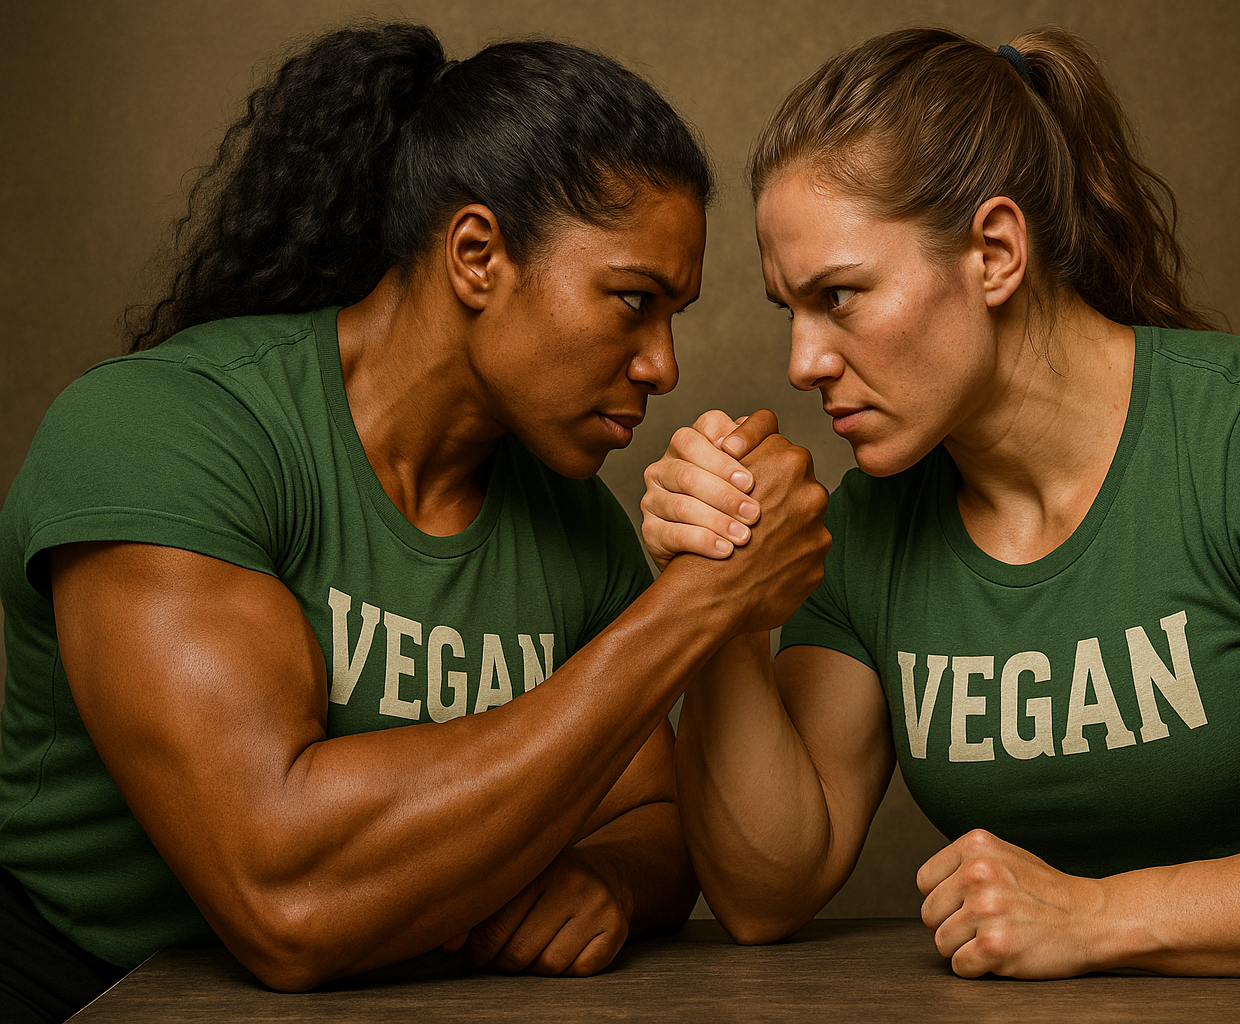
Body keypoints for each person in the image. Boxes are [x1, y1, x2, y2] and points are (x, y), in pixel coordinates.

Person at [639, 26, 1240, 1024]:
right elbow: (768, 892)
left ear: (995, 251)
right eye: (788, 309)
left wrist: (1099, 915)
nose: (804, 359)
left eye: (840, 296)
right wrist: (717, 590)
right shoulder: (873, 527)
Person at [0, 22, 830, 1024]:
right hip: (88, 994)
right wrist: (699, 605)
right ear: (477, 256)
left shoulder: (565, 519)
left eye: (674, 316)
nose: (663, 365)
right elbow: (287, 898)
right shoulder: (161, 433)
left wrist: (605, 880)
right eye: (632, 301)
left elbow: (656, 818)